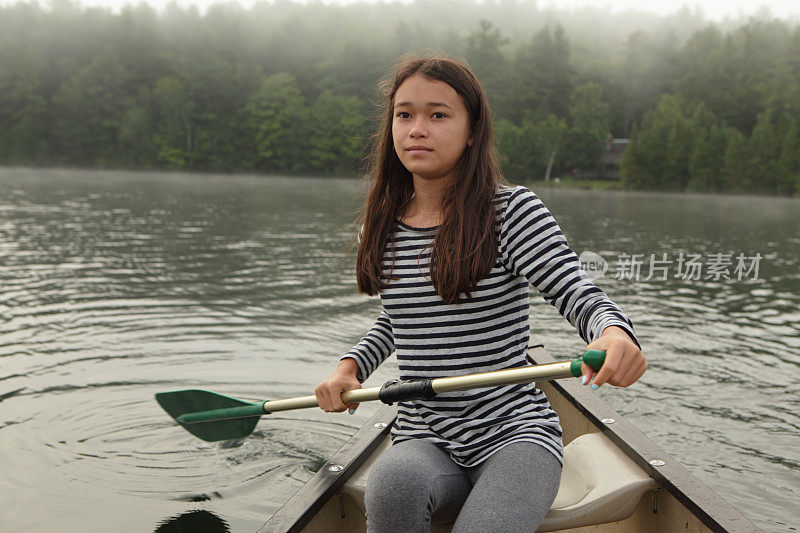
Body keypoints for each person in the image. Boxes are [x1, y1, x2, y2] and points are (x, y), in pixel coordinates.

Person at [314, 52, 647, 533]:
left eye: (438, 114)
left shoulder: (511, 212)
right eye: (404, 114)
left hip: (514, 433)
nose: (417, 128)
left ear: (472, 131)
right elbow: (399, 317)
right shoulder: (380, 226)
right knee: (392, 489)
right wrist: (350, 368)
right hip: (424, 433)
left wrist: (614, 332)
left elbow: (576, 290)